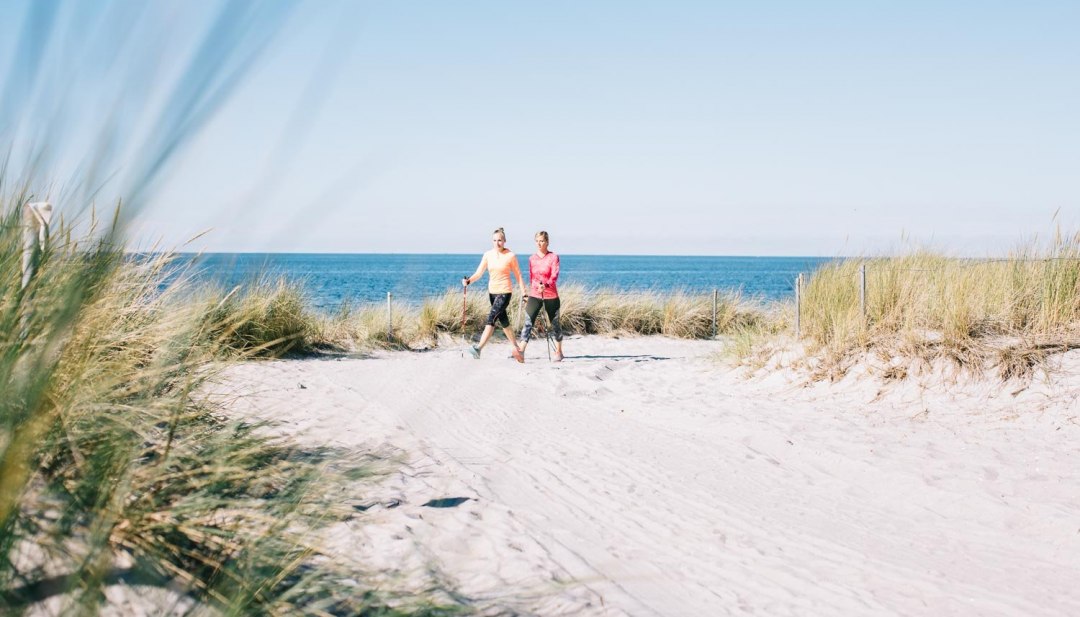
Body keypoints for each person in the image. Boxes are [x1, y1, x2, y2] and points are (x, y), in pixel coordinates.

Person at [462, 227, 526, 362]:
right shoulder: (487, 255)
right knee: (504, 322)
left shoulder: (510, 256)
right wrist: (468, 281)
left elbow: (518, 276)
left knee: (491, 318)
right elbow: (479, 273)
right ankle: (518, 350)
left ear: (505, 241)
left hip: (505, 292)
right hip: (492, 293)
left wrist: (524, 293)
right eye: (495, 240)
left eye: (500, 240)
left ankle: (478, 348)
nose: (497, 243)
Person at [518, 230, 564, 361]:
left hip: (551, 295)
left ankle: (559, 351)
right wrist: (528, 294)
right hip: (535, 294)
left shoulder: (553, 257)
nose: (539, 243)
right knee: (528, 321)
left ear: (547, 242)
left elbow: (554, 276)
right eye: (537, 241)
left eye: (542, 241)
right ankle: (521, 351)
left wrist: (546, 285)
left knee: (555, 325)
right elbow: (532, 277)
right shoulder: (531, 258)